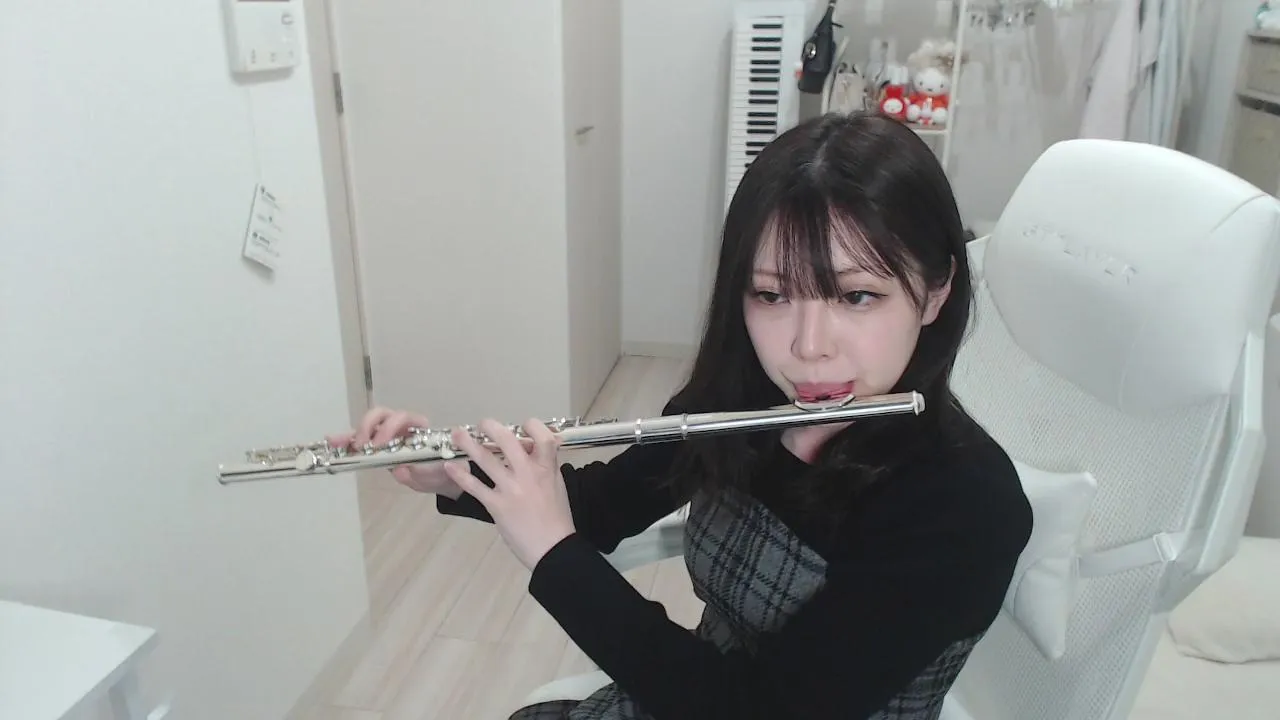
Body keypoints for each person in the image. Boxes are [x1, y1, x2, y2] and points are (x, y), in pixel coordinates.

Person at [328, 111, 1033, 719]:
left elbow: (754, 709)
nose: (808, 348)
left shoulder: (967, 504)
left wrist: (555, 556)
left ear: (934, 293)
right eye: (771, 295)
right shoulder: (743, 400)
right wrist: (458, 475)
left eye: (856, 297)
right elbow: (601, 506)